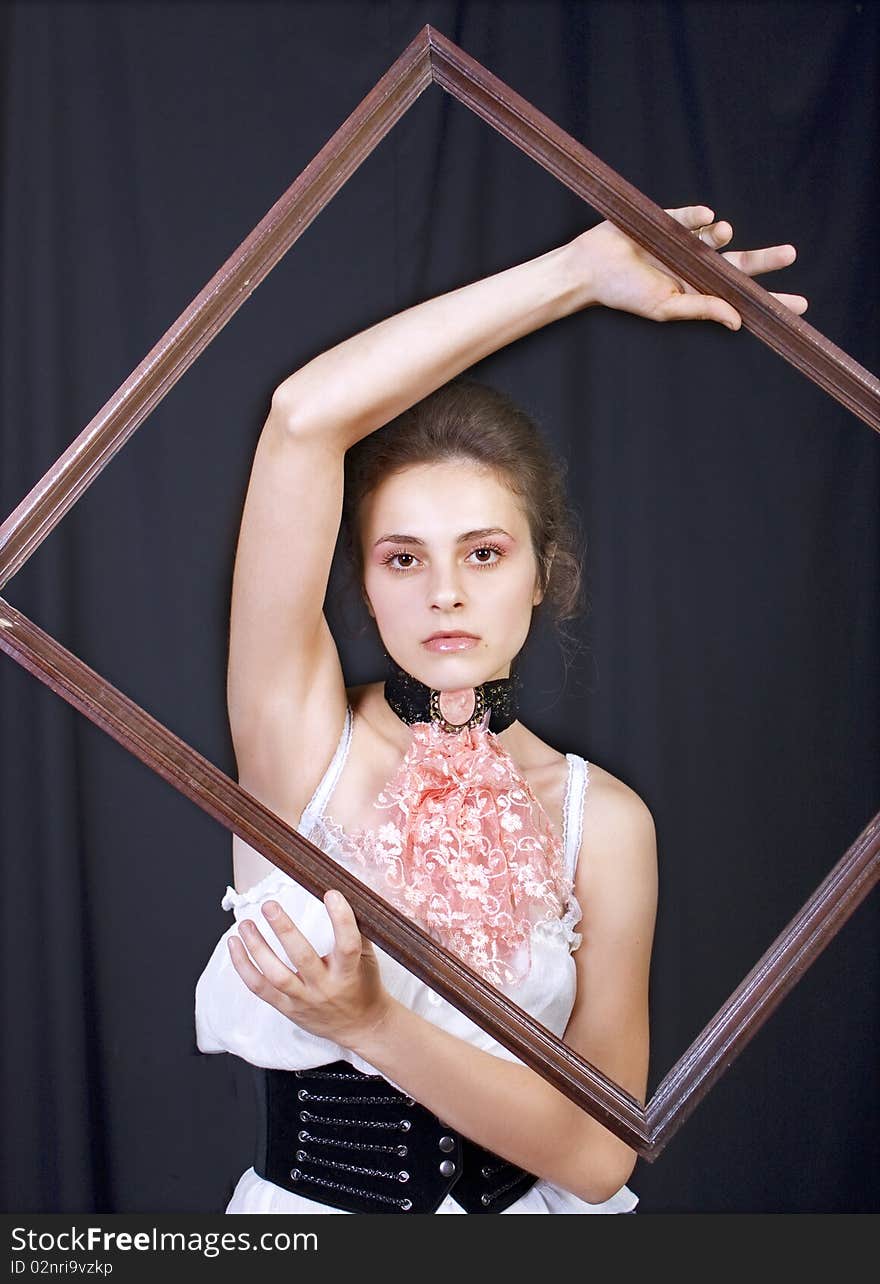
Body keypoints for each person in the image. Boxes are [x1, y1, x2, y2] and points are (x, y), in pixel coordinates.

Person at [194, 206, 806, 1214]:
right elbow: (305, 417)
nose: (445, 592)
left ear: (538, 576)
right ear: (364, 582)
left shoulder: (601, 821)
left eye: (483, 553)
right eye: (404, 558)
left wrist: (373, 1024)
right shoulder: (295, 734)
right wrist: (578, 273)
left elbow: (601, 1157)